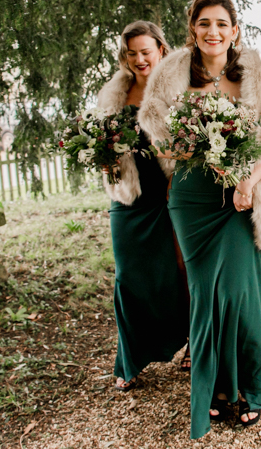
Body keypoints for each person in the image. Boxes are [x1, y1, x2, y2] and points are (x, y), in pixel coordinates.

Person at [139, 0, 261, 438]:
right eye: (204, 23)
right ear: (193, 29)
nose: (213, 32)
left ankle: (251, 385)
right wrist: (182, 146)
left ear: (235, 30)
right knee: (205, 294)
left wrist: (249, 180)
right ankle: (214, 388)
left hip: (240, 198)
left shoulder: (254, 73)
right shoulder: (172, 72)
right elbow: (154, 125)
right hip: (192, 199)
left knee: (239, 294)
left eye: (221, 24)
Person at [96, 21, 190, 391]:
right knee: (128, 276)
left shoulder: (179, 88)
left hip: (171, 192)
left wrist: (176, 181)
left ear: (161, 50)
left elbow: (194, 141)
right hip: (129, 195)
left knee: (182, 271)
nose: (139, 59)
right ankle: (131, 357)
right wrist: (103, 159)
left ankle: (194, 341)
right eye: (132, 53)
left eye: (145, 51)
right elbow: (103, 142)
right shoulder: (113, 94)